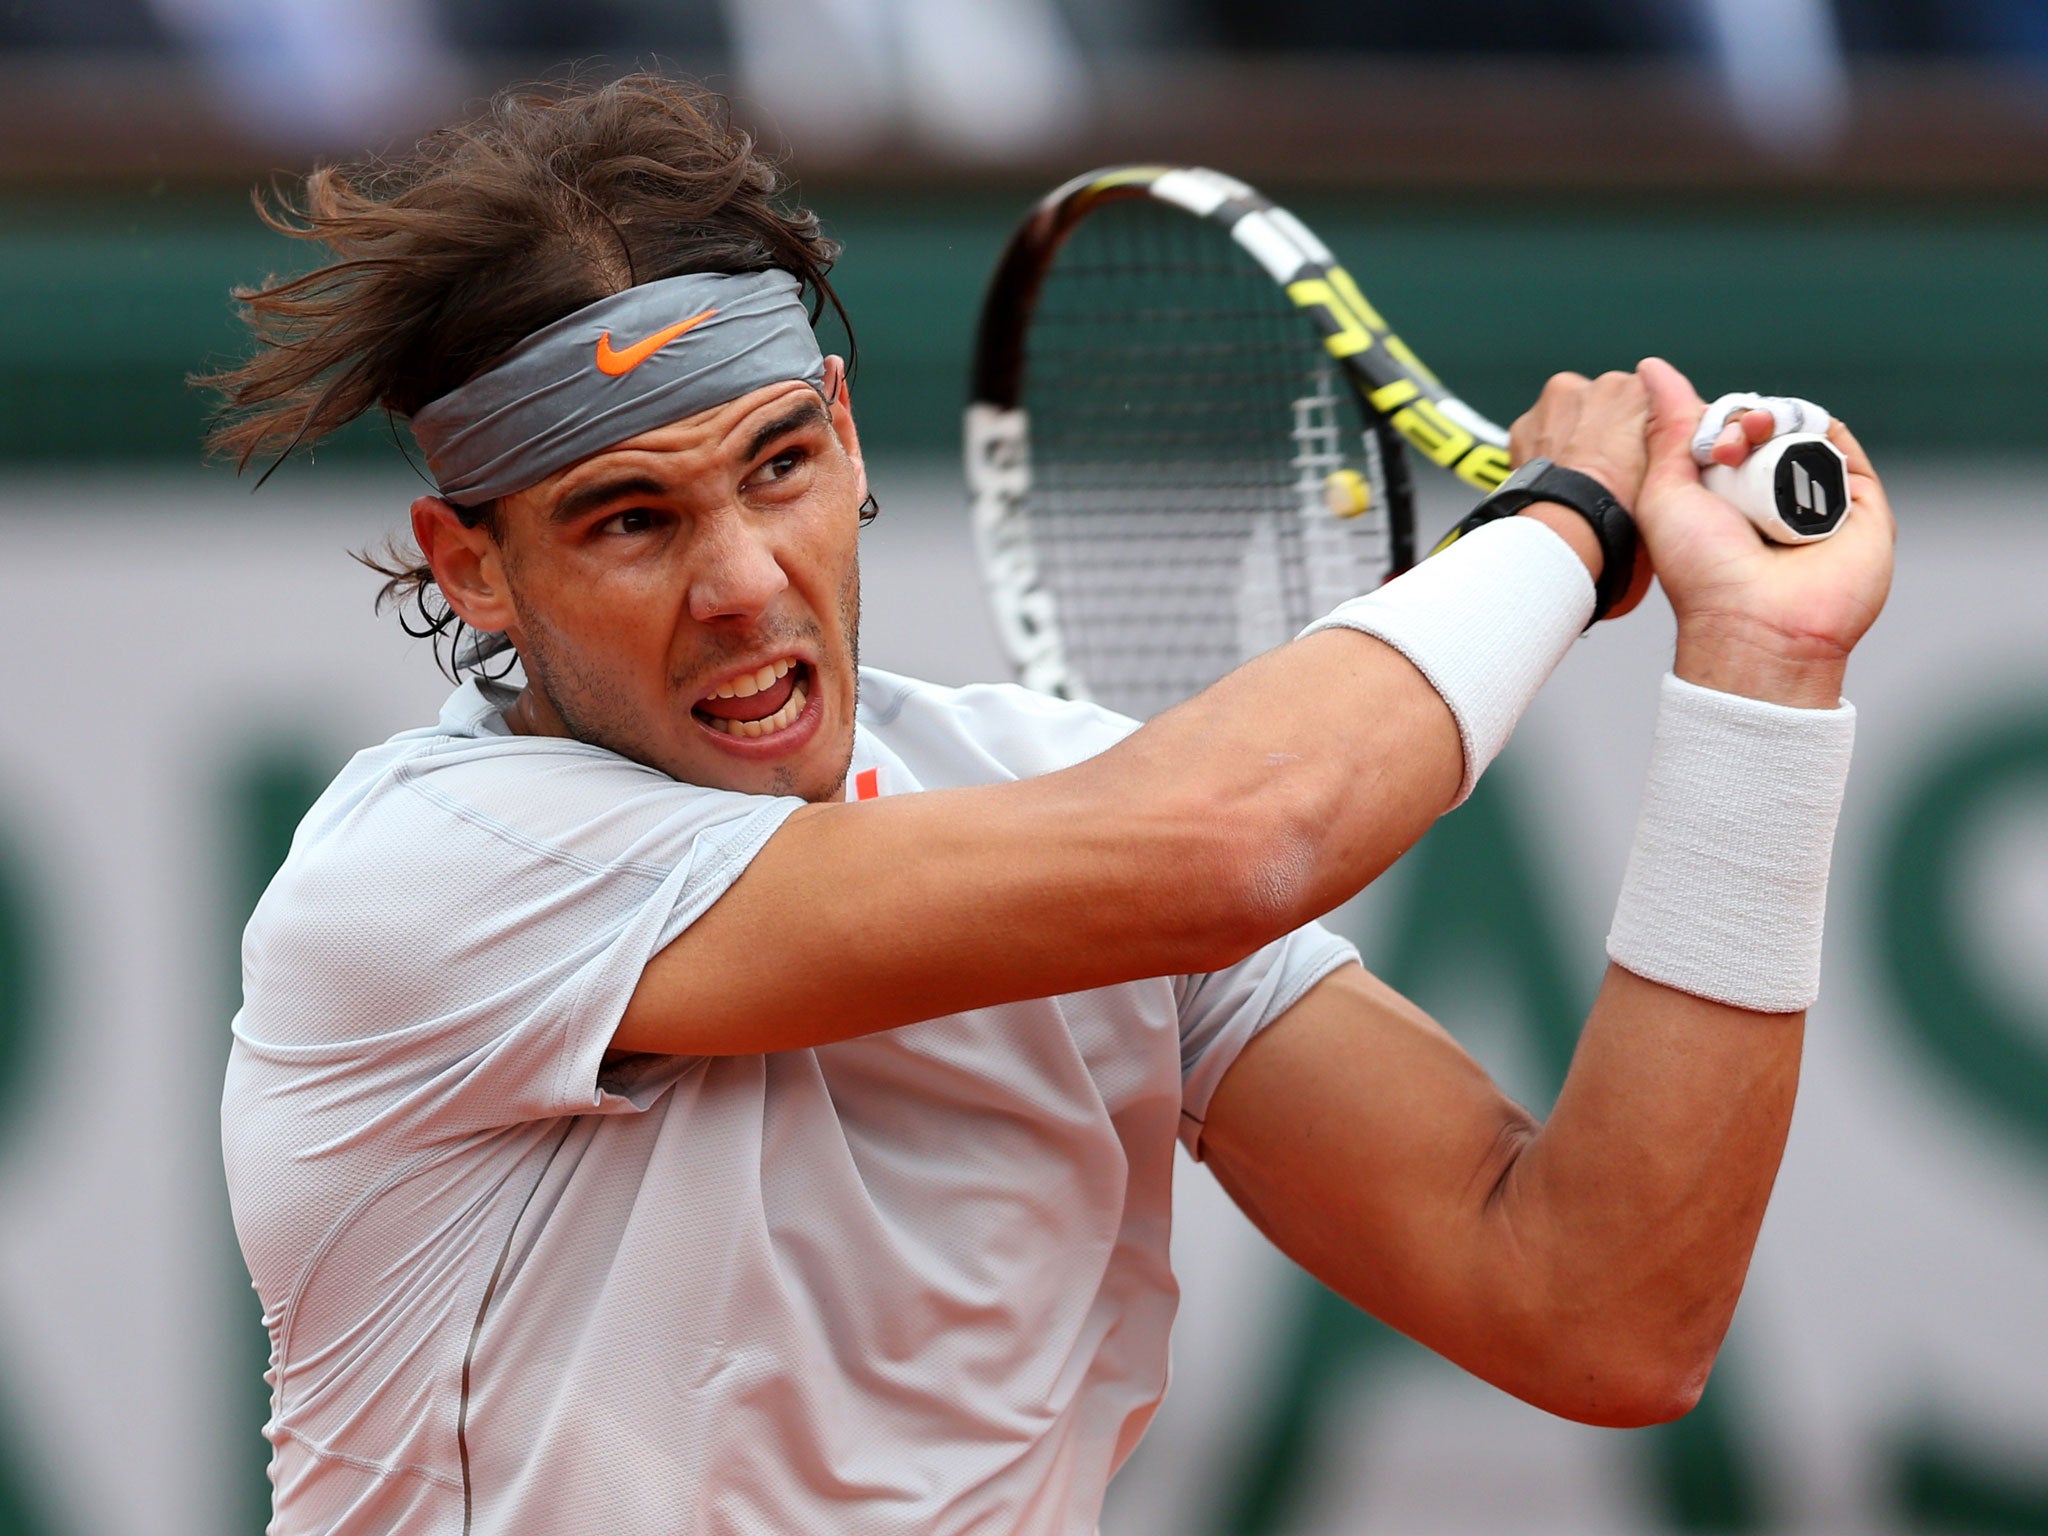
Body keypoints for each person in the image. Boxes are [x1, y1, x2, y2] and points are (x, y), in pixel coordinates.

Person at [210, 75, 1894, 1536]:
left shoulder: (1053, 799)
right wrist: (1563, 527)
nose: (739, 584)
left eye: (778, 467)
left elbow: (1600, 1312)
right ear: (473, 568)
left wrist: (1762, 669)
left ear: (850, 440)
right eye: (628, 520)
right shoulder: (419, 885)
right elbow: (1246, 842)